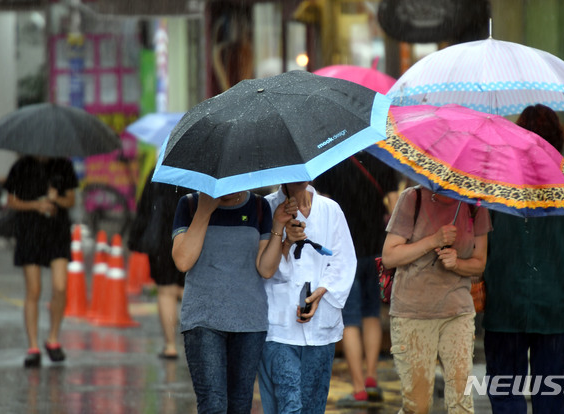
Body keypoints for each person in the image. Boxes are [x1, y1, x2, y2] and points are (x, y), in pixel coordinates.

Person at [482, 104, 564, 414]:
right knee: (553, 399)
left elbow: (478, 242)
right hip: (557, 312)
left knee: (505, 395)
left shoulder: (497, 183)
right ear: (558, 139)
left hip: (505, 307)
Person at [171, 189, 290, 413]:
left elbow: (266, 269)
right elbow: (183, 261)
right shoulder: (189, 204)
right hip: (202, 320)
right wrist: (204, 211)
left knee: (240, 405)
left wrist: (278, 227)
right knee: (213, 405)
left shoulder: (258, 206)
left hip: (248, 322)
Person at [381, 185, 491, 413]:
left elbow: (479, 263)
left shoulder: (475, 205)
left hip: (457, 312)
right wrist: (433, 240)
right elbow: (390, 256)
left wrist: (457, 263)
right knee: (417, 407)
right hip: (412, 313)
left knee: (462, 404)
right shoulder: (412, 198)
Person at [258, 181, 357, 414]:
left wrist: (322, 292)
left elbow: (343, 260)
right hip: (279, 329)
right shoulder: (265, 207)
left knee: (314, 407)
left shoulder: (330, 209)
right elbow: (264, 269)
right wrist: (285, 241)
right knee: (289, 406)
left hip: (321, 329)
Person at [313, 151, 401, 405]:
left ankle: (359, 387)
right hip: (377, 251)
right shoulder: (381, 160)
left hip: (344, 253)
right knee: (372, 313)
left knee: (349, 318)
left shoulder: (332, 162)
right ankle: (372, 376)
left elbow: (323, 208)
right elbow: (395, 207)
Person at [3, 155, 78, 368]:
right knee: (33, 289)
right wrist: (36, 205)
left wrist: (55, 200)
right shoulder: (21, 166)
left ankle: (53, 338)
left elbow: (71, 199)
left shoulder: (63, 164)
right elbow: (11, 201)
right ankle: (33, 346)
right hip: (29, 232)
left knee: (60, 287)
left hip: (57, 233)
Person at [128, 169, 191, 359]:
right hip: (189, 236)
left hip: (161, 237)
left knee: (165, 290)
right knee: (189, 289)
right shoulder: (196, 171)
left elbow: (144, 207)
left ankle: (170, 346)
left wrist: (137, 236)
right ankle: (196, 344)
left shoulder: (159, 171)